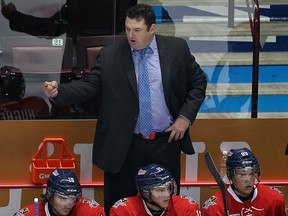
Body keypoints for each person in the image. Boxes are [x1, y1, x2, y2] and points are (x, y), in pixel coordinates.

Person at [43, 3, 207, 214]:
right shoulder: (111, 55)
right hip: (124, 147)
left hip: (165, 143)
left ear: (152, 29)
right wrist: (59, 93)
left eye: (137, 30)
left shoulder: (176, 49)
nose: (130, 35)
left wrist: (184, 117)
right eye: (128, 28)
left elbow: (198, 83)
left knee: (165, 206)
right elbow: (89, 85)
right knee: (120, 206)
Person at [201, 147, 286, 216]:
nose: (248, 180)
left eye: (251, 173)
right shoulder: (215, 207)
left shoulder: (273, 199)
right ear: (231, 176)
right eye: (242, 174)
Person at [1, 0, 137, 40]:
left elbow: (50, 29)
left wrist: (14, 16)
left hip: (80, 74)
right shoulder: (126, 4)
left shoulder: (78, 5)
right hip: (119, 71)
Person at [110, 163, 201, 215]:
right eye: (160, 190)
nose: (167, 194)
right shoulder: (124, 210)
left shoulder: (185, 207)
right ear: (145, 192)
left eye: (168, 188)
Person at [14, 168, 105, 216]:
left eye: (72, 198)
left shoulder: (90, 211)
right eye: (63, 198)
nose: (68, 204)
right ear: (50, 196)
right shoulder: (28, 214)